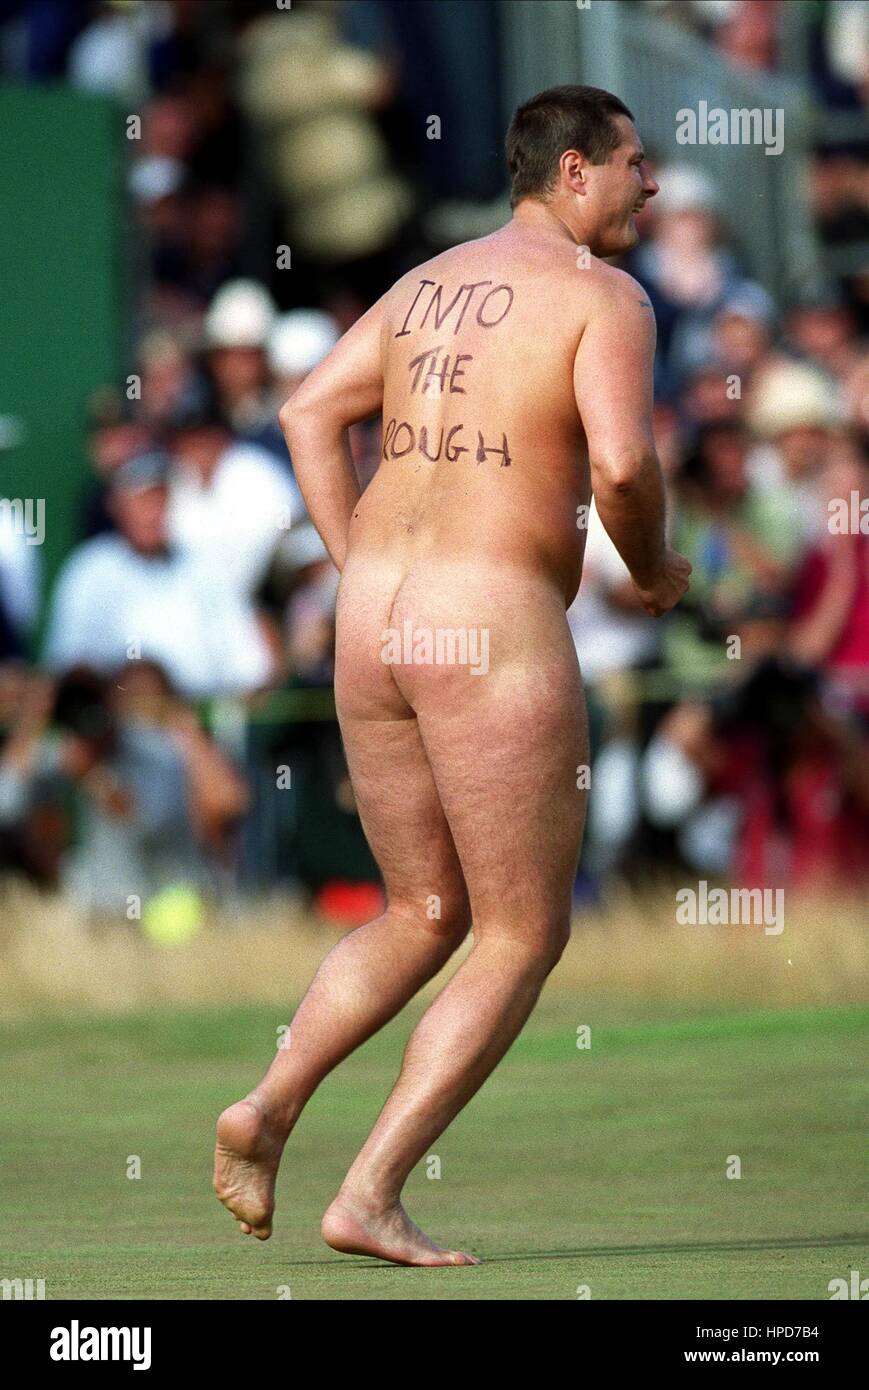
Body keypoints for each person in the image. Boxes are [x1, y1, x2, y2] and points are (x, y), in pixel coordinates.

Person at [214, 85, 691, 1265]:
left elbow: (307, 408)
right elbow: (623, 463)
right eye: (635, 163)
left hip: (370, 617)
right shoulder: (603, 295)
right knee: (521, 934)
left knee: (423, 910)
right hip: (489, 621)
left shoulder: (428, 280)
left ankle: (267, 1104)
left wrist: (357, 560)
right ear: (572, 172)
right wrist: (656, 566)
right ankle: (366, 1190)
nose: (651, 185)